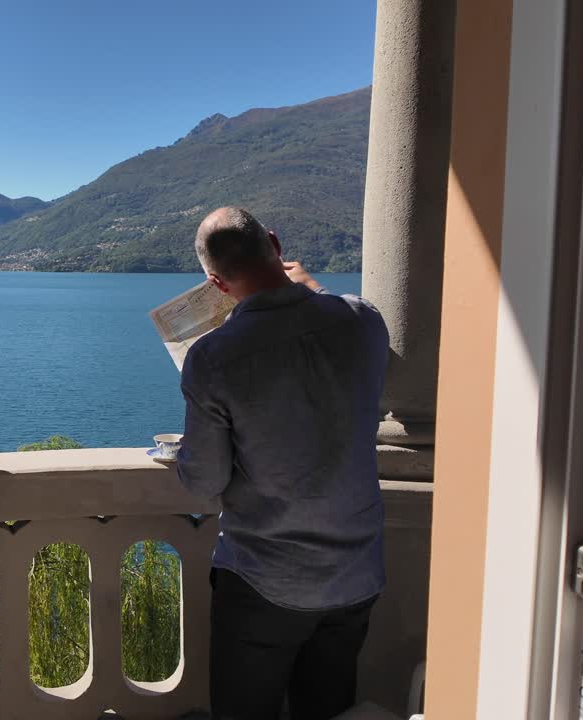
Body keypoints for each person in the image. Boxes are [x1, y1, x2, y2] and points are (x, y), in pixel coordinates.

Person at [176, 207, 389, 720]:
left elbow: (203, 479)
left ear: (216, 284)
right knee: (327, 709)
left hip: (263, 581)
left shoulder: (213, 357)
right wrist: (311, 288)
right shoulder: (363, 322)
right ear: (274, 242)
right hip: (355, 575)